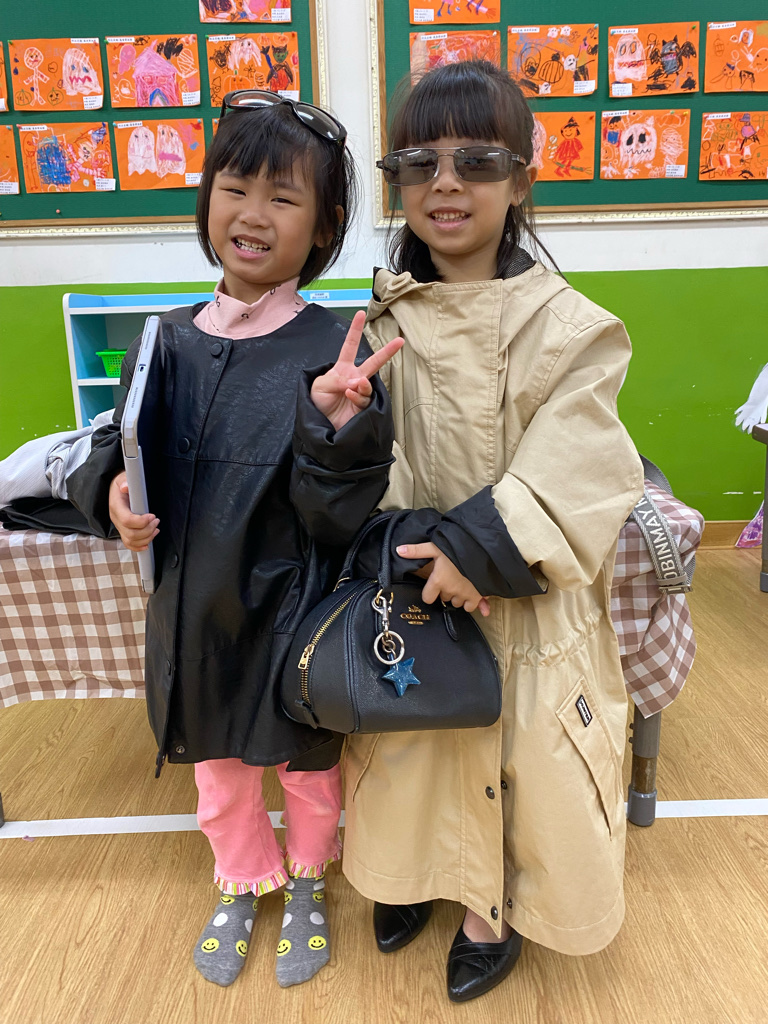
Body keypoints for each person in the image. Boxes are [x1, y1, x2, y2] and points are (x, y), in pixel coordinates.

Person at [68, 91, 402, 990]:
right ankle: (241, 877)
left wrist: (337, 429)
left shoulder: (335, 349)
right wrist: (111, 492)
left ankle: (308, 879)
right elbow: (116, 446)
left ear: (323, 225)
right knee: (214, 763)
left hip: (297, 606)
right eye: (235, 188)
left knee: (306, 762)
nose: (254, 214)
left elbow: (343, 511)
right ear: (207, 198)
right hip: (193, 608)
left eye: (283, 198)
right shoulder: (165, 339)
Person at [341, 61, 644, 1003]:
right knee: (410, 753)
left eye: (476, 161)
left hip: (530, 611)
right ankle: (412, 877)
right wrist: (334, 439)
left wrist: (476, 548)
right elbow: (364, 470)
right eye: (419, 163)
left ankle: (491, 909)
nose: (445, 183)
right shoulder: (375, 325)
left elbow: (583, 462)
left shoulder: (576, 328)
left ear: (520, 180)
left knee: (522, 765)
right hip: (414, 596)